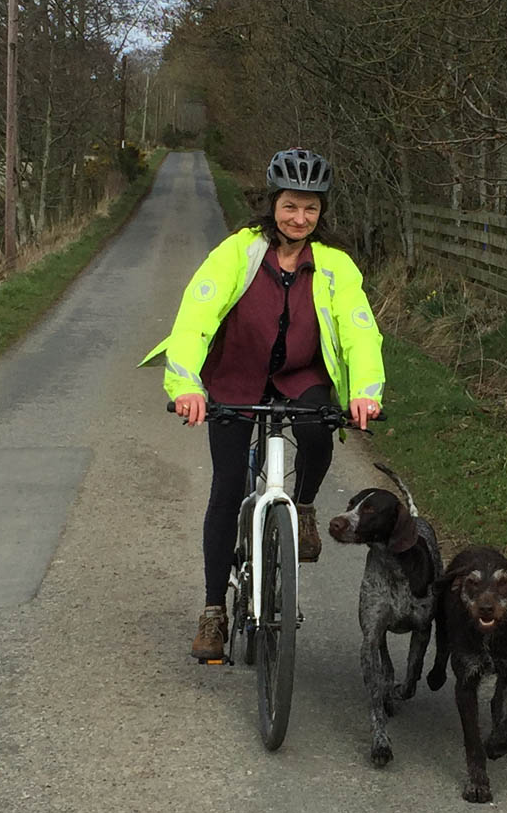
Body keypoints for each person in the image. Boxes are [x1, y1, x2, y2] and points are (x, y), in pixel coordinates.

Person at [142, 148, 385, 660]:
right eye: (291, 206)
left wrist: (365, 392)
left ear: (322, 213)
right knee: (227, 488)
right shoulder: (238, 252)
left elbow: (360, 332)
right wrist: (185, 384)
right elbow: (195, 317)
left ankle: (304, 507)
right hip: (236, 376)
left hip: (301, 375)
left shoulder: (335, 265)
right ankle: (213, 610)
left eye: (311, 209)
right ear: (273, 204)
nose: (300, 218)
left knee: (320, 428)